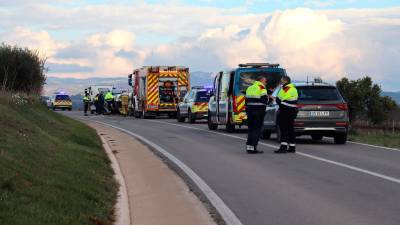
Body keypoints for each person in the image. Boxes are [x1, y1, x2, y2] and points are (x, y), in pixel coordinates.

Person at [245, 76, 269, 154]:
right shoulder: (262, 88)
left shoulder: (250, 88)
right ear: (261, 81)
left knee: (251, 129)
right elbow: (265, 101)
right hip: (258, 111)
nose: (266, 83)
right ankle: (253, 147)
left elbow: (246, 101)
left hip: (249, 111)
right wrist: (270, 99)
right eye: (265, 81)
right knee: (257, 130)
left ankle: (249, 147)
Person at [275, 76, 299, 154]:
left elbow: (278, 99)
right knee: (290, 129)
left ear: (285, 80)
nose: (280, 81)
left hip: (285, 110)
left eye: (281, 80)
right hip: (292, 111)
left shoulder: (285, 88)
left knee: (283, 129)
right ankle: (292, 147)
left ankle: (283, 147)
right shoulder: (294, 89)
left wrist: (278, 101)